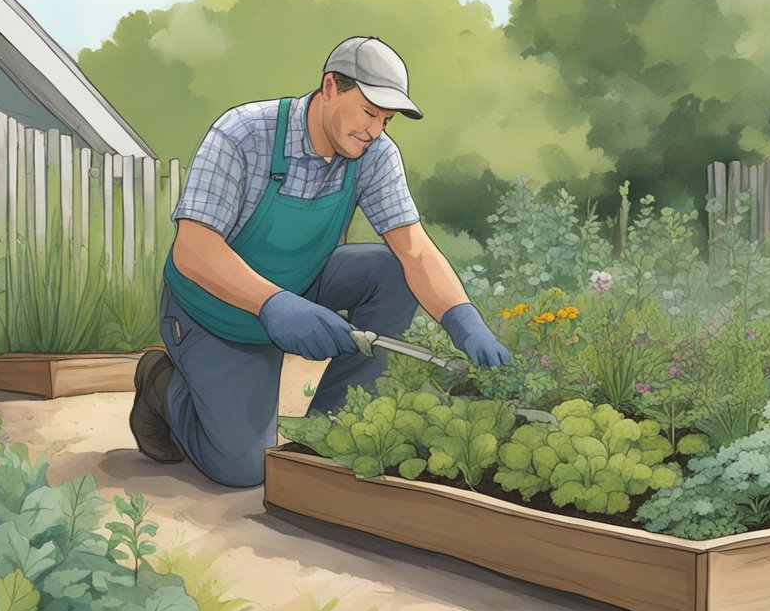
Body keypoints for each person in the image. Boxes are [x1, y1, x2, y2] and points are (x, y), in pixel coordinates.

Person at [129, 36, 509, 487]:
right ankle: (160, 384)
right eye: (369, 112)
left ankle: (332, 420)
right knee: (244, 468)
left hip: (301, 283)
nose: (376, 131)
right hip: (214, 312)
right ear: (331, 86)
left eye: (387, 120)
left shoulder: (373, 154)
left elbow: (414, 249)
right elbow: (193, 249)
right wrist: (275, 305)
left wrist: (463, 319)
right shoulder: (244, 133)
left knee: (393, 273)